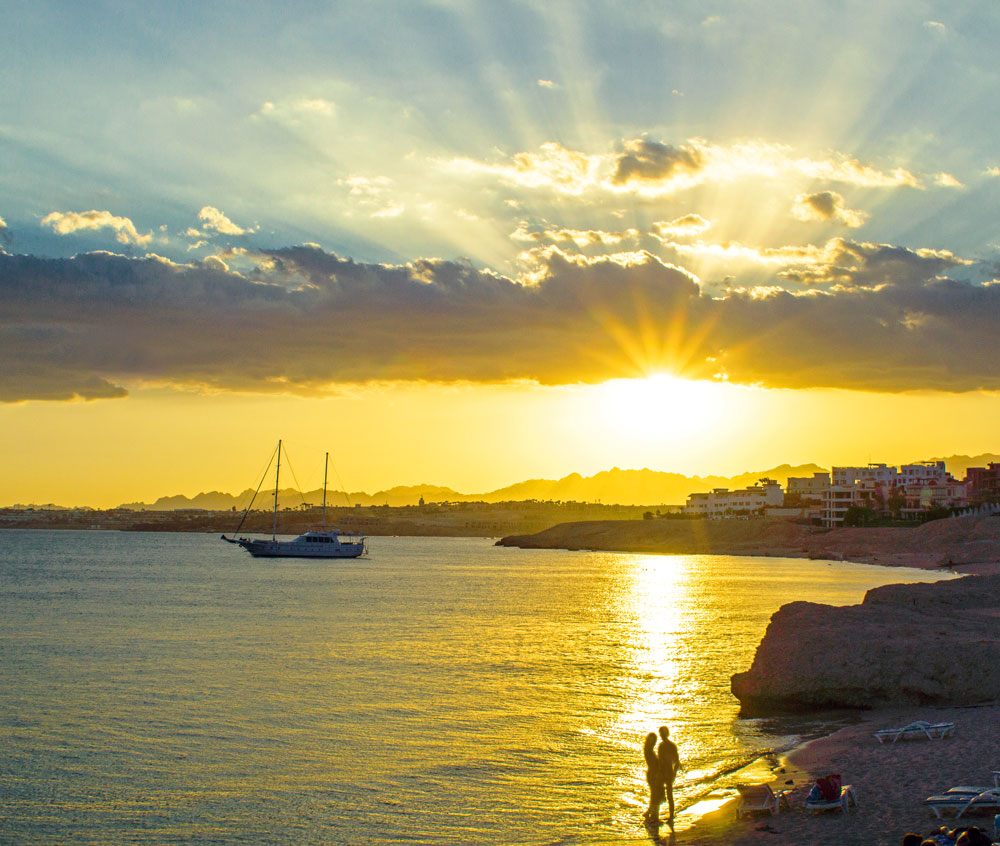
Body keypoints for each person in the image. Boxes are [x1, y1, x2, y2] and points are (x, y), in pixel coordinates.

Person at [658, 726, 681, 826]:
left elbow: (676, 761)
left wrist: (674, 773)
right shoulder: (661, 746)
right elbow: (660, 760)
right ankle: (657, 815)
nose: (661, 735)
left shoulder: (670, 746)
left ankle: (671, 815)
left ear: (666, 734)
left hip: (668, 772)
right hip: (662, 772)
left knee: (669, 794)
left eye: (662, 734)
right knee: (659, 793)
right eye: (660, 734)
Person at [643, 732, 665, 823]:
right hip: (654, 775)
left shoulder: (649, 750)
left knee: (655, 794)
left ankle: (651, 812)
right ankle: (653, 814)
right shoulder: (648, 751)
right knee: (656, 794)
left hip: (653, 774)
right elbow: (654, 764)